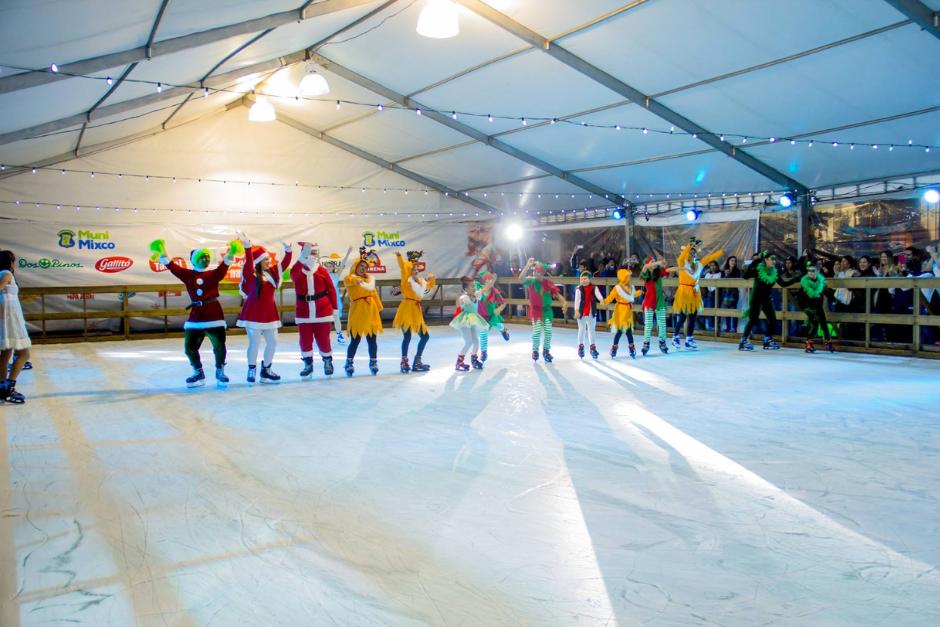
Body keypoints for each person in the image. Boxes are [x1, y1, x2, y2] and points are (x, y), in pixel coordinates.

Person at [152, 238, 238, 387]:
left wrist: (233, 250)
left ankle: (220, 370)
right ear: (195, 260)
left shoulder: (213, 274)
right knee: (189, 347)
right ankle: (198, 372)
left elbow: (225, 264)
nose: (206, 259)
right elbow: (170, 265)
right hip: (196, 316)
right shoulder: (188, 275)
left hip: (214, 315)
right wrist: (161, 249)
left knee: (219, 346)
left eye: (207, 257)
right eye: (202, 257)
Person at [237, 238, 292, 383]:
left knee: (273, 342)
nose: (269, 261)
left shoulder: (272, 273)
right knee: (254, 343)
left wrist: (288, 251)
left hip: (270, 314)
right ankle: (252, 369)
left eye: (268, 258)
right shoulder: (250, 274)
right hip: (253, 314)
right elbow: (248, 264)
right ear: (258, 261)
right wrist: (248, 248)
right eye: (265, 259)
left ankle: (266, 369)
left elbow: (285, 264)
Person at [290, 241, 338, 378]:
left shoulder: (322, 271)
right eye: (310, 253)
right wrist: (302, 261)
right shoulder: (297, 270)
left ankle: (327, 361)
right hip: (303, 311)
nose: (313, 256)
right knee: (305, 339)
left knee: (323, 339)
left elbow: (331, 290)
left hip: (322, 310)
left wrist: (334, 309)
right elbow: (295, 276)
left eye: (314, 253)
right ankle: (308, 364)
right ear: (303, 254)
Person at [672, 238, 723, 350]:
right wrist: (690, 244)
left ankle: (689, 338)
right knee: (683, 316)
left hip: (694, 292)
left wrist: (720, 252)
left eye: (694, 253)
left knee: (693, 316)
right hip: (684, 292)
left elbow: (709, 258)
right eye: (691, 252)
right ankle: (675, 336)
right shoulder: (682, 263)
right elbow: (681, 256)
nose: (692, 255)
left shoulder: (698, 265)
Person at [393, 250, 436, 373]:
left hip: (416, 311)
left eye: (417, 270)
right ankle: (404, 361)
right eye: (413, 270)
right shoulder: (406, 281)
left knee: (425, 336)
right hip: (406, 309)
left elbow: (429, 286)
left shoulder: (421, 282)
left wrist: (431, 278)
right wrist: (399, 256)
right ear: (409, 271)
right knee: (407, 336)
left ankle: (417, 361)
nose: (416, 271)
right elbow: (403, 267)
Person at [344, 248, 383, 376]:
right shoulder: (349, 278)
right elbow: (350, 281)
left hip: (371, 312)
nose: (363, 268)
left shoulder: (369, 281)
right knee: (355, 340)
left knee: (372, 339)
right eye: (361, 266)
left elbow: (374, 294)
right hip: (358, 312)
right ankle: (349, 362)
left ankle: (373, 362)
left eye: (365, 267)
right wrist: (357, 280)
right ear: (355, 266)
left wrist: (379, 308)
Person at [519, 258, 567, 363]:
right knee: (536, 332)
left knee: (548, 331)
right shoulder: (531, 281)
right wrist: (527, 265)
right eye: (535, 271)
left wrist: (564, 302)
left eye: (539, 272)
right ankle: (535, 350)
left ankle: (546, 350)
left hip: (546, 311)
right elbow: (521, 278)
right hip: (536, 311)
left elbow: (557, 294)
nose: (537, 274)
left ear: (543, 273)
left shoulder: (548, 283)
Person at [783, 261, 834, 353]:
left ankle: (828, 342)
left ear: (817, 271)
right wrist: (805, 308)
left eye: (813, 271)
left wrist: (834, 299)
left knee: (824, 324)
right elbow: (800, 297)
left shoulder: (820, 282)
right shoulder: (805, 283)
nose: (811, 272)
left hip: (818, 307)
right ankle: (809, 343)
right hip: (809, 307)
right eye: (809, 271)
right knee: (814, 325)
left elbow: (826, 292)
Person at [0, 250, 31, 404]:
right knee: (24, 354)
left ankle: (2, 385)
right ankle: (9, 388)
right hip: (11, 319)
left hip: (7, 318)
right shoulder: (6, 273)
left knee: (6, 353)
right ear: (9, 261)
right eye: (14, 260)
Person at [739, 251, 782, 350]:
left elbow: (783, 284)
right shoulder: (758, 270)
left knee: (772, 319)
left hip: (766, 299)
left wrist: (798, 279)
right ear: (766, 260)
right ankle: (743, 341)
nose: (774, 261)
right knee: (753, 319)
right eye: (772, 259)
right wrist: (754, 263)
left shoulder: (774, 272)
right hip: (756, 298)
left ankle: (768, 340)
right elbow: (745, 276)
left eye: (775, 259)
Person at [450, 277, 488, 371]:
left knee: (476, 341)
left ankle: (474, 360)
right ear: (466, 289)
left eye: (474, 286)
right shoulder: (465, 298)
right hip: (465, 321)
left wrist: (490, 282)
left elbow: (484, 289)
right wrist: (459, 300)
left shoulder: (476, 295)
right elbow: (458, 304)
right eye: (472, 286)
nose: (474, 287)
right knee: (469, 342)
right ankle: (459, 362)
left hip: (474, 319)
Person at [603, 266, 642, 359]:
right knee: (619, 331)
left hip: (627, 312)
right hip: (620, 311)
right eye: (627, 277)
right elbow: (611, 296)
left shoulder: (630, 287)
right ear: (623, 277)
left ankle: (631, 347)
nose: (629, 279)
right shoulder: (617, 288)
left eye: (629, 277)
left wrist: (639, 292)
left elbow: (633, 294)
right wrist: (605, 301)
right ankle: (614, 347)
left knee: (628, 331)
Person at [477, 271, 510, 362]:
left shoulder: (495, 292)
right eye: (489, 280)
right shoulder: (478, 289)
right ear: (485, 281)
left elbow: (503, 303)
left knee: (499, 325)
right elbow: (474, 294)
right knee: (483, 333)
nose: (491, 282)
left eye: (492, 280)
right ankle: (484, 352)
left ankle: (504, 330)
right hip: (482, 317)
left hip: (492, 315)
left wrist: (499, 309)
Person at [640, 256, 669, 355]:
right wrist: (658, 262)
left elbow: (668, 270)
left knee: (662, 323)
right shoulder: (645, 272)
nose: (654, 263)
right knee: (648, 324)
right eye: (652, 262)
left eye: (654, 262)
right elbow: (645, 267)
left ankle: (662, 341)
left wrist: (682, 268)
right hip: (649, 300)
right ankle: (646, 343)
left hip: (659, 300)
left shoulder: (658, 272)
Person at [324, 247, 354, 345]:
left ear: (333, 268)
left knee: (336, 317)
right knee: (324, 318)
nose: (328, 267)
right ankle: (322, 336)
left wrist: (348, 253)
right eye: (327, 266)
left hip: (334, 298)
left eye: (330, 266)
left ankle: (339, 335)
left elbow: (342, 264)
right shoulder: (322, 275)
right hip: (324, 298)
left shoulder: (336, 275)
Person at [573, 271, 604, 359]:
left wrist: (601, 299)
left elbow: (598, 295)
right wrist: (576, 310)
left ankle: (592, 347)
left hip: (591, 312)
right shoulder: (579, 289)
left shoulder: (594, 288)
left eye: (585, 279)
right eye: (581, 279)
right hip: (581, 312)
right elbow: (577, 301)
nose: (583, 281)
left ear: (590, 279)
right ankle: (580, 346)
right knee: (582, 329)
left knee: (591, 330)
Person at [720, 256, 742, 333]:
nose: (733, 262)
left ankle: (734, 328)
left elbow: (737, 281)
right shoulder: (723, 271)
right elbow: (721, 282)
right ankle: (728, 327)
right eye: (732, 260)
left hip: (734, 293)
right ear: (728, 261)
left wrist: (729, 274)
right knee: (727, 310)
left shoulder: (737, 271)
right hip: (726, 292)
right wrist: (726, 275)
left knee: (734, 309)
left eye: (735, 261)